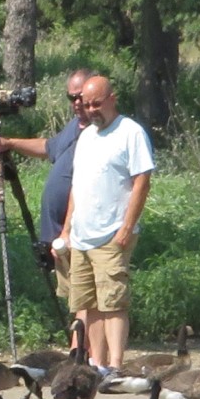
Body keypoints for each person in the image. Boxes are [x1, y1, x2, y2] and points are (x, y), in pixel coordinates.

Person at [56, 75, 153, 373]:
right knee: (89, 304)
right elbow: (77, 187)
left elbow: (142, 181)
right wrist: (67, 230)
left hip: (112, 234)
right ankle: (97, 364)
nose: (91, 110)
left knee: (113, 302)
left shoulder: (130, 132)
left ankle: (115, 366)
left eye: (97, 104)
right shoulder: (86, 137)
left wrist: (126, 228)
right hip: (81, 237)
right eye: (86, 105)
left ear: (113, 98)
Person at [0, 69, 94, 288]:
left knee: (85, 296)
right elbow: (48, 147)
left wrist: (67, 231)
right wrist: (9, 143)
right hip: (58, 239)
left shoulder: (99, 133)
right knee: (71, 295)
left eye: (80, 97)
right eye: (71, 97)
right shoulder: (75, 125)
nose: (76, 103)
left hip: (76, 236)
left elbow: (86, 190)